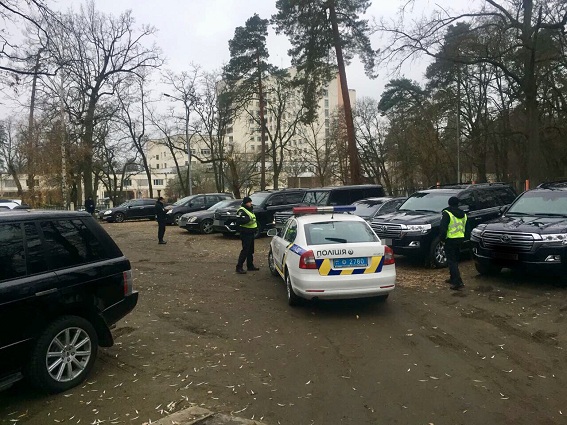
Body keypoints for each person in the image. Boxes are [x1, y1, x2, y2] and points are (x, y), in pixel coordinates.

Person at [440, 196, 467, 290]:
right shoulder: (463, 214)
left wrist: (442, 239)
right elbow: (466, 227)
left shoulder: (447, 213)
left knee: (452, 261)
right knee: (455, 260)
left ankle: (457, 282)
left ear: (449, 203)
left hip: (450, 240)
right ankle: (453, 278)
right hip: (460, 239)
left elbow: (443, 228)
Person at [235, 196, 260, 274]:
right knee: (245, 250)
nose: (250, 203)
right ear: (246, 203)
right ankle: (239, 267)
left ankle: (250, 266)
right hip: (245, 233)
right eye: (249, 202)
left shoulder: (250, 209)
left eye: (250, 202)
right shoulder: (241, 210)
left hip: (251, 232)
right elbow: (239, 220)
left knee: (250, 250)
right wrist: (247, 219)